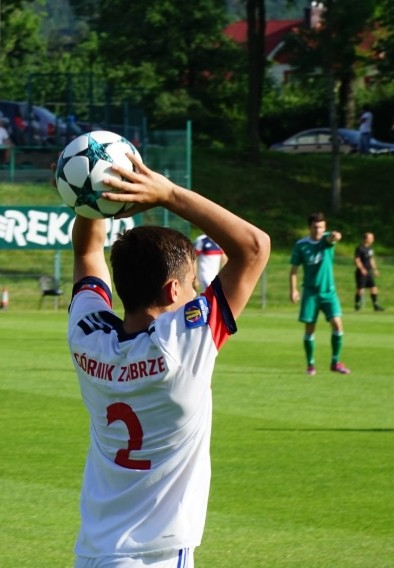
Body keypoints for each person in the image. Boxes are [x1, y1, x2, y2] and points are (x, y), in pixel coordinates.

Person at [66, 153, 270, 567]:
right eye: (195, 284)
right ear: (173, 290)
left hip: (93, 553)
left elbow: (88, 253)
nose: (199, 293)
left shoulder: (88, 338)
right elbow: (253, 247)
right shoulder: (181, 344)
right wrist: (168, 194)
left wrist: (91, 200)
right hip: (154, 555)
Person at [289, 212, 351, 376]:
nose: (319, 230)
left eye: (322, 227)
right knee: (310, 328)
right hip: (310, 293)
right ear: (309, 227)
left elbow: (333, 238)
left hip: (329, 292)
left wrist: (336, 236)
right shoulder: (301, 245)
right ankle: (310, 365)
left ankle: (335, 362)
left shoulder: (326, 240)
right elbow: (294, 270)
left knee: (337, 324)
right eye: (316, 227)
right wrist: (293, 289)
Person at [354, 231, 385, 312]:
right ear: (365, 239)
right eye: (370, 238)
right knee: (360, 289)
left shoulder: (370, 249)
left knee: (373, 287)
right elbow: (357, 260)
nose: (372, 239)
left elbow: (371, 259)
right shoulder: (360, 248)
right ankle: (357, 304)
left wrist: (375, 269)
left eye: (372, 238)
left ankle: (375, 305)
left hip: (369, 271)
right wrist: (362, 269)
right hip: (361, 272)